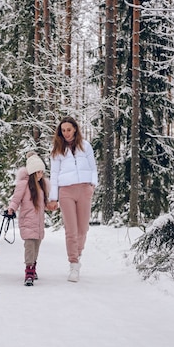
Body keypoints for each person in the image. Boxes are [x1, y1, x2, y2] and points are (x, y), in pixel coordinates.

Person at [47, 116, 98, 282]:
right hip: (66, 192)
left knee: (83, 229)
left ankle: (78, 252)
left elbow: (93, 168)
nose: (66, 133)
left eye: (69, 129)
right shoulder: (57, 150)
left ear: (75, 129)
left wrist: (92, 185)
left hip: (84, 190)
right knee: (71, 230)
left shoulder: (86, 146)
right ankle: (74, 264)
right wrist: (53, 197)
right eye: (63, 130)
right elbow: (54, 175)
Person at [7, 152, 51, 286]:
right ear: (32, 172)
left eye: (41, 172)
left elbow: (45, 204)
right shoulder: (23, 185)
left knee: (36, 247)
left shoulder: (43, 186)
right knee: (29, 247)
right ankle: (28, 272)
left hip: (38, 224)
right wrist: (11, 209)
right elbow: (16, 199)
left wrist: (52, 206)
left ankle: (33, 268)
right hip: (27, 221)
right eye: (37, 172)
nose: (40, 174)